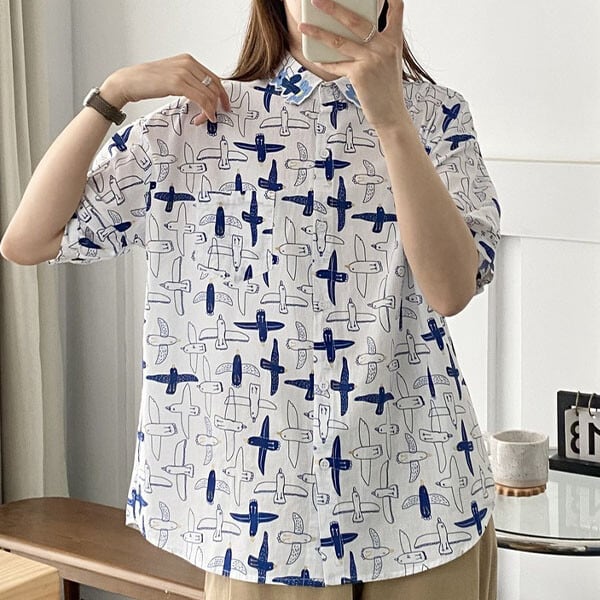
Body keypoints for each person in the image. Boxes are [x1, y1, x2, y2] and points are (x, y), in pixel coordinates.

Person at [1, 0, 501, 598]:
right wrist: (113, 94)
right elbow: (29, 241)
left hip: (423, 492)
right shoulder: (196, 124)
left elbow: (450, 290)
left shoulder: (437, 115)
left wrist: (392, 122)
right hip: (261, 511)